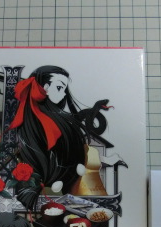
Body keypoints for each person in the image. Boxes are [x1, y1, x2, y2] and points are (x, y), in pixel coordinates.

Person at [8, 65, 112, 210]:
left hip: (65, 183)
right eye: (59, 88)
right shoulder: (35, 125)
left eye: (64, 89)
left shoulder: (59, 119)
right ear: (45, 87)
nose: (63, 95)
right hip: (48, 187)